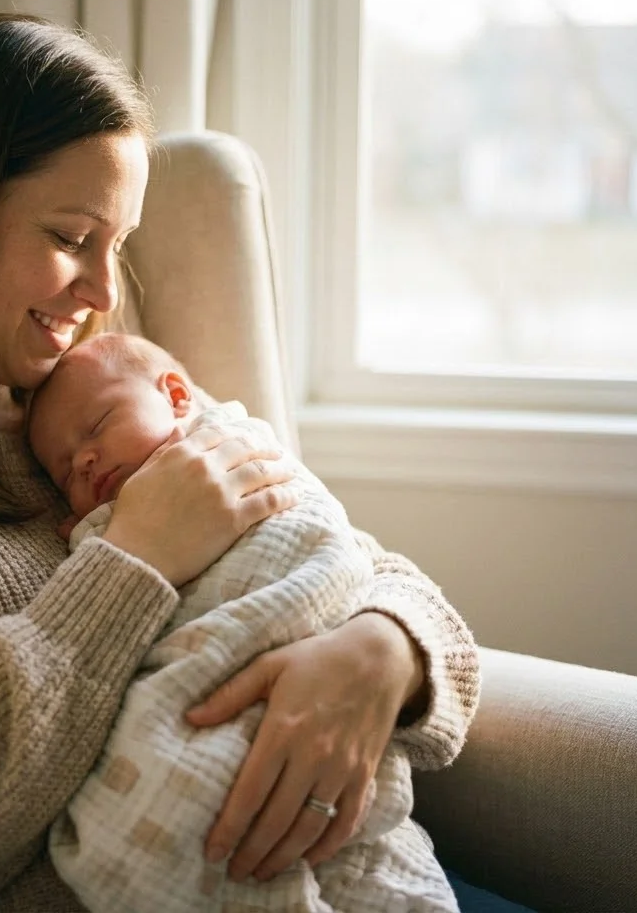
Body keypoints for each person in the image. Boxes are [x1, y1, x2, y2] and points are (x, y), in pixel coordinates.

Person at [0, 13, 481, 913]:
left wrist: (380, 653)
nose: (106, 293)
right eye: (72, 238)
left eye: (118, 247)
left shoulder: (100, 405)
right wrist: (131, 563)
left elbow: (338, 553)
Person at [27, 332, 459, 912]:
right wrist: (106, 544)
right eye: (64, 477)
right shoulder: (116, 506)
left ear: (177, 396)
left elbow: (364, 560)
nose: (84, 460)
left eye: (98, 427)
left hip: (338, 716)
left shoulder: (224, 440)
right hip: (216, 729)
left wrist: (386, 644)